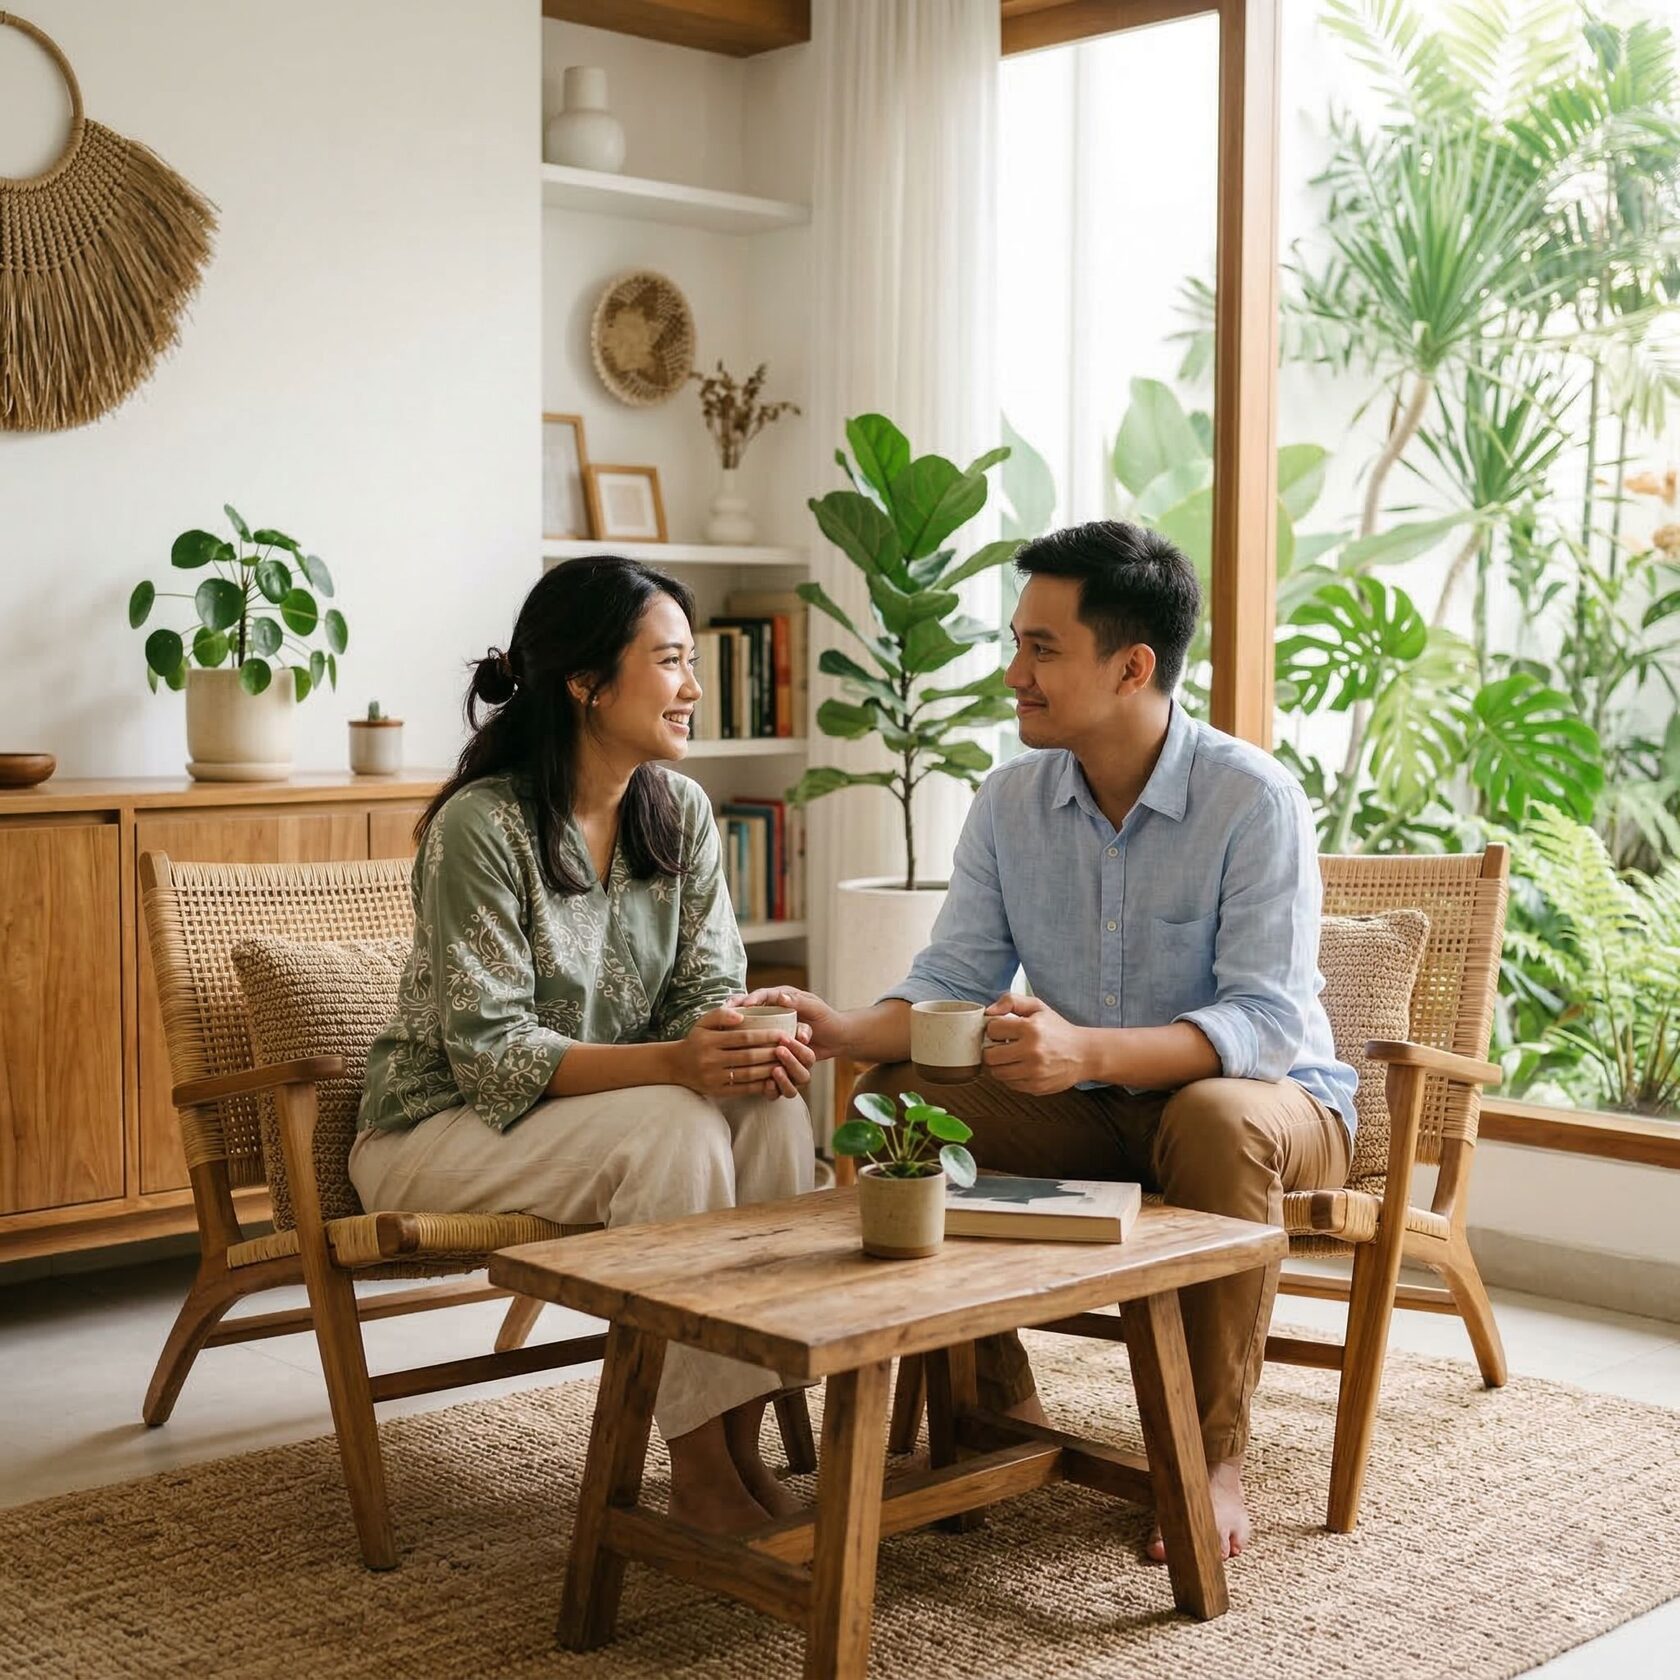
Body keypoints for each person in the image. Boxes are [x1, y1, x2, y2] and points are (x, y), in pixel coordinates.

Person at [750, 520, 1357, 1561]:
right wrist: (846, 1026)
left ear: (1132, 667)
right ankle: (998, 1412)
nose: (1012, 672)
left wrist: (1088, 1053)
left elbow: (1265, 1025)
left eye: (1041, 648)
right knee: (894, 1095)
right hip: (1089, 1109)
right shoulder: (1008, 799)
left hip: (1269, 1107)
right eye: (1016, 642)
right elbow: (953, 984)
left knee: (1215, 1118)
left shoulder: (1254, 800)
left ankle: (1211, 1460)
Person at [351, 555, 817, 1535]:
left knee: (769, 1106)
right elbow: (491, 1054)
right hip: (438, 1132)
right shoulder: (482, 827)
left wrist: (734, 1036)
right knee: (675, 1131)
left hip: (596, 1120)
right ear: (586, 683)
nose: (693, 689)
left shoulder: (678, 812)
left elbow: (703, 991)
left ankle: (741, 1446)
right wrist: (680, 1066)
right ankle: (697, 1469)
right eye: (673, 662)